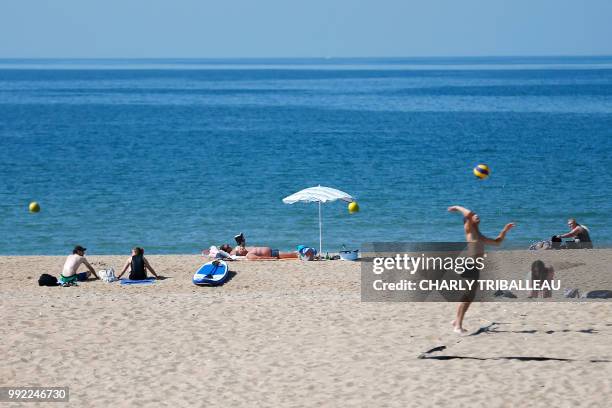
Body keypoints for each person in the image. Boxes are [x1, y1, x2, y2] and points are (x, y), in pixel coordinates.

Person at [447, 205, 515, 334]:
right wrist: (457, 207)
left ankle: (456, 321)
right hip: (469, 265)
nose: (476, 215)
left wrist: (505, 230)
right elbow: (468, 214)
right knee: (467, 296)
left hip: (475, 267)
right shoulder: (469, 229)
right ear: (469, 221)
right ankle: (457, 326)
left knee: (470, 296)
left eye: (477, 215)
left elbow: (497, 242)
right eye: (474, 215)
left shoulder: (479, 235)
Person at [219, 243, 298, 260]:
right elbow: (259, 258)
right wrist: (271, 258)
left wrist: (242, 243)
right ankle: (301, 254)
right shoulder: (249, 255)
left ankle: (300, 253)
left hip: (271, 251)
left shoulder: (246, 251)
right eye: (227, 246)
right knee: (291, 254)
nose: (229, 245)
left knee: (290, 253)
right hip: (271, 254)